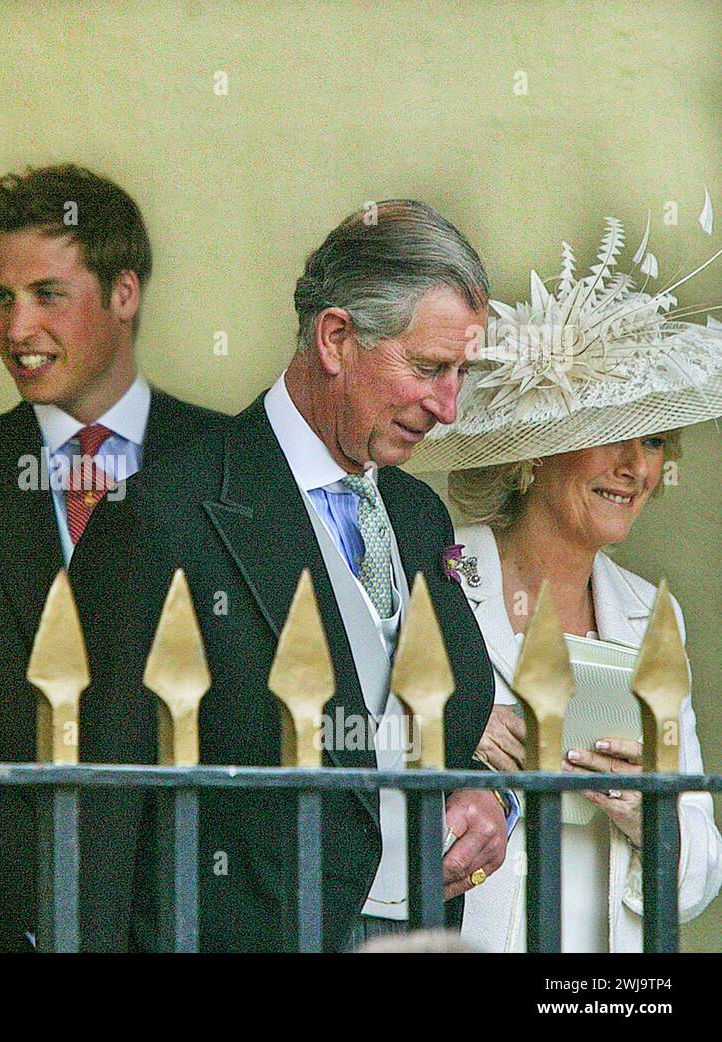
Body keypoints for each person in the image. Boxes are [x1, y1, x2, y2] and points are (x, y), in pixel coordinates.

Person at [68, 200, 511, 952]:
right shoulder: (163, 515)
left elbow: (435, 726)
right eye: (430, 368)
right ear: (336, 338)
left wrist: (485, 792)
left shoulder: (417, 517)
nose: (447, 405)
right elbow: (98, 818)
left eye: (461, 373)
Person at [0, 163, 226, 951]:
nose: (17, 329)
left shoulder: (229, 465)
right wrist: (56, 894)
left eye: (47, 295)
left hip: (198, 914)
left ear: (124, 293)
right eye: (2, 298)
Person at [409, 218, 722, 951]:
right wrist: (446, 728)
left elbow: (702, 871)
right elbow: (321, 741)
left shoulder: (650, 617)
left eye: (651, 440)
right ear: (537, 451)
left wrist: (653, 813)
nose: (634, 466)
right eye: (608, 430)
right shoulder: (437, 567)